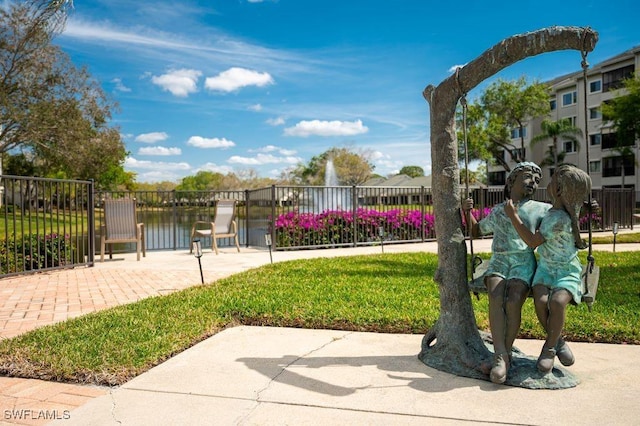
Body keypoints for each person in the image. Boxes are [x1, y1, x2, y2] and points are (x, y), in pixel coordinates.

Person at [462, 162, 550, 384]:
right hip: (500, 262)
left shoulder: (541, 209)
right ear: (512, 181)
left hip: (523, 262)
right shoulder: (499, 210)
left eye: (537, 181)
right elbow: (475, 231)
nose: (533, 183)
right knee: (495, 295)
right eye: (528, 177)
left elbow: (564, 218)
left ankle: (505, 353)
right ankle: (500, 357)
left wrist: (585, 209)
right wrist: (467, 212)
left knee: (513, 301)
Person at [505, 164, 591, 373]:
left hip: (565, 271)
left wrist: (513, 215)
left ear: (559, 189)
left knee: (556, 302)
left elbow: (533, 242)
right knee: (541, 301)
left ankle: (550, 348)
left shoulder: (558, 219)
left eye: (552, 182)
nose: (547, 185)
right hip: (545, 270)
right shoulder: (557, 211)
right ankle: (558, 341)